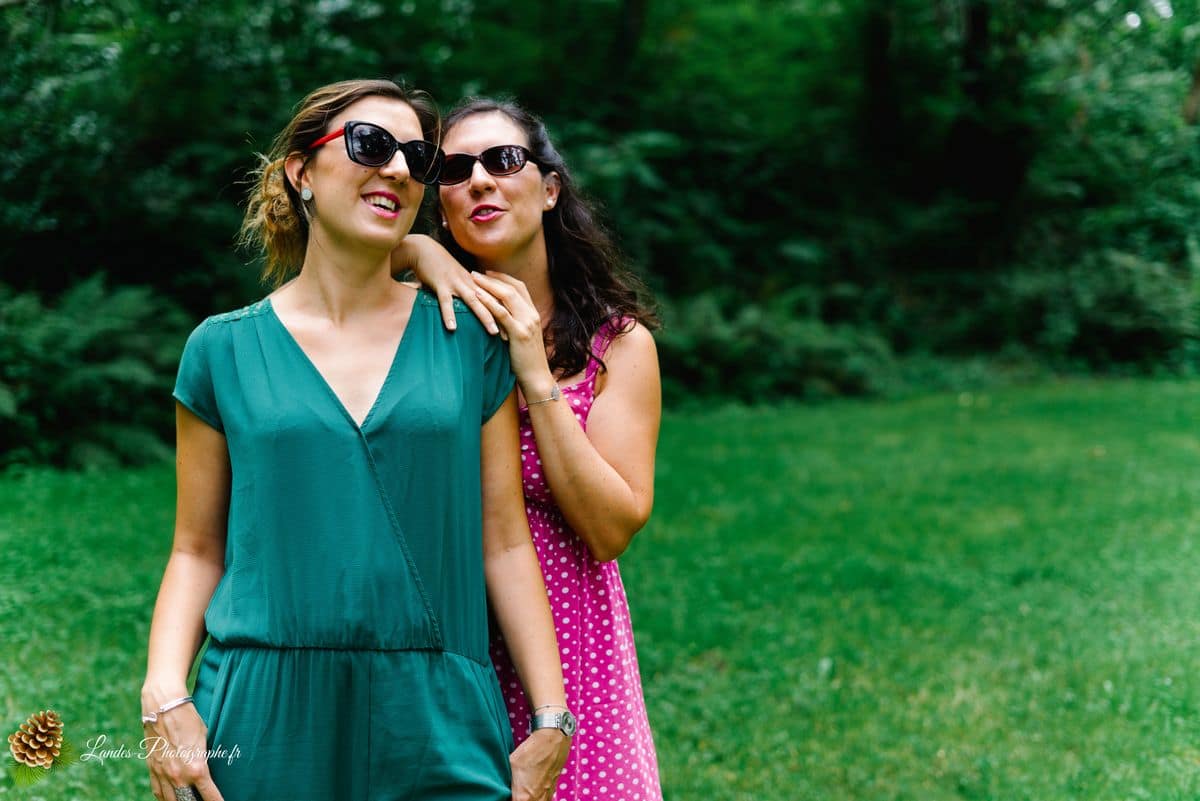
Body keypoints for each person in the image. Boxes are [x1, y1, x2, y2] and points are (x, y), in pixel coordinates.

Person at [141, 79, 572, 801]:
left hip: (438, 714)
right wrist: (164, 691)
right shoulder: (220, 350)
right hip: (261, 713)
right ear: (301, 172)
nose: (398, 169)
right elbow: (196, 548)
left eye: (417, 157)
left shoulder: (469, 340)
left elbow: (503, 541)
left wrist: (551, 717)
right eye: (371, 145)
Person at [398, 97, 664, 801]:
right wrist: (415, 250)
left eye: (503, 160)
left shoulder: (617, 346)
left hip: (572, 651)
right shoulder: (416, 322)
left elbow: (610, 528)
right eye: (455, 170)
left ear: (549, 189)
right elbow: (325, 255)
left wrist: (533, 373)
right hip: (440, 645)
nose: (479, 180)